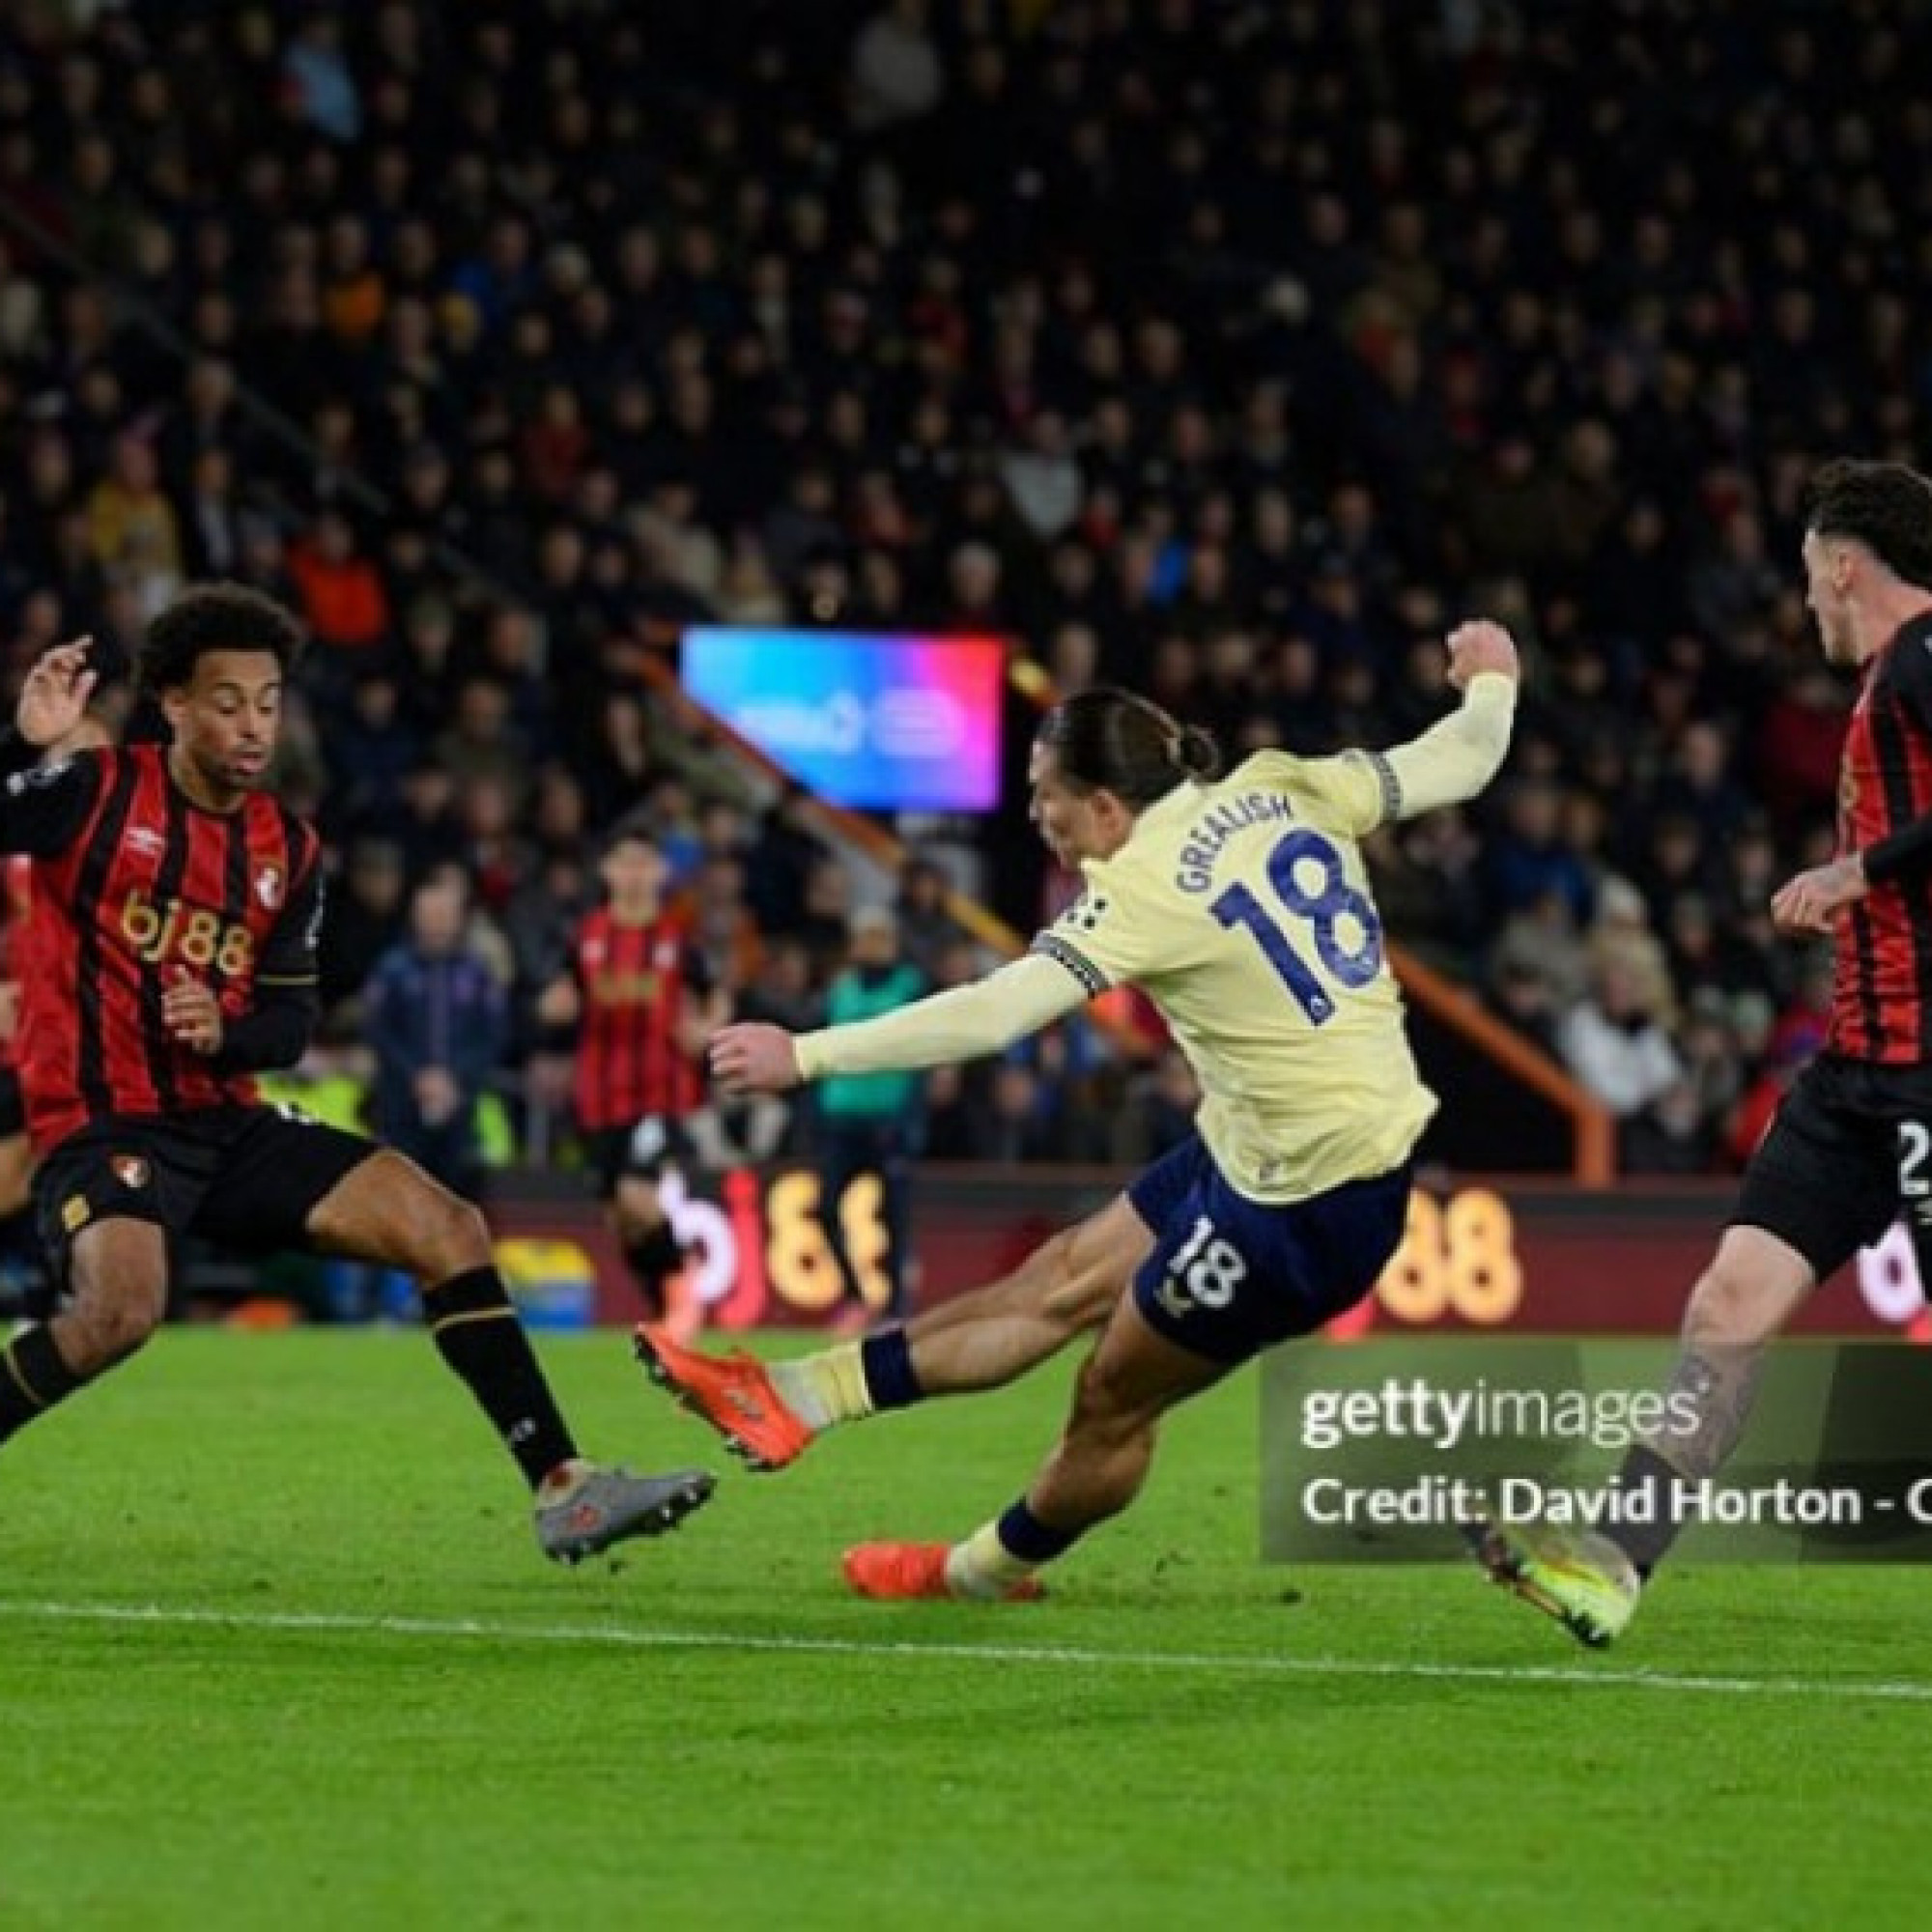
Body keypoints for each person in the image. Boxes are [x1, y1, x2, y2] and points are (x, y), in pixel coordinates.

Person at [639, 622, 1520, 1600]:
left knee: (1110, 1396)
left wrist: (805, 1052)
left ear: (1104, 806)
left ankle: (980, 1570)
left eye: (1043, 795)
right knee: (1056, 1277)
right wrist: (1490, 681)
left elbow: (994, 1010)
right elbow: (1462, 756)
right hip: (1256, 1147)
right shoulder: (1279, 782)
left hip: (1306, 1205)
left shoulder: (1140, 888)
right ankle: (791, 1395)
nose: (1033, 814)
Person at [0, 588, 714, 1563]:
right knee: (121, 1312)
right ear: (171, 703)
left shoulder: (285, 848)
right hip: (103, 1118)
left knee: (448, 1226)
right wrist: (21, 742)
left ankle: (565, 1485)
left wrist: (225, 1029)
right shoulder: (93, 791)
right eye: (226, 702)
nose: (253, 725)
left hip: (225, 1118)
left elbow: (289, 1020)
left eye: (268, 701)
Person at [1468, 459, 1932, 1646]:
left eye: (1807, 581)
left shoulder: (1926, 654)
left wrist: (1855, 869)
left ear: (1841, 566)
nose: (1806, 606)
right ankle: (1612, 1562)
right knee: (1727, 1296)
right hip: (1852, 1076)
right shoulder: (1887, 677)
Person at [537, 815, 727, 1334]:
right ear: (607, 871)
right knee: (620, 1219)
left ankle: (683, 1292)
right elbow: (562, 992)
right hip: (598, 1096)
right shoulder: (588, 937)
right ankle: (666, 1310)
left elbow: (716, 994)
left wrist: (707, 1029)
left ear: (662, 872)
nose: (635, 874)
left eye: (645, 864)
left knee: (637, 1198)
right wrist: (555, 1005)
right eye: (626, 863)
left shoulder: (676, 939)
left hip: (660, 1093)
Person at [811, 905, 924, 1333]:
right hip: (841, 1118)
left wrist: (914, 1117)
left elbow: (924, 1049)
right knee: (825, 1210)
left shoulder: (909, 985)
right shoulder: (840, 988)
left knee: (893, 1216)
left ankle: (895, 1308)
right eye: (864, 935)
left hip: (888, 1118)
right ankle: (855, 1296)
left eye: (879, 935)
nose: (871, 944)